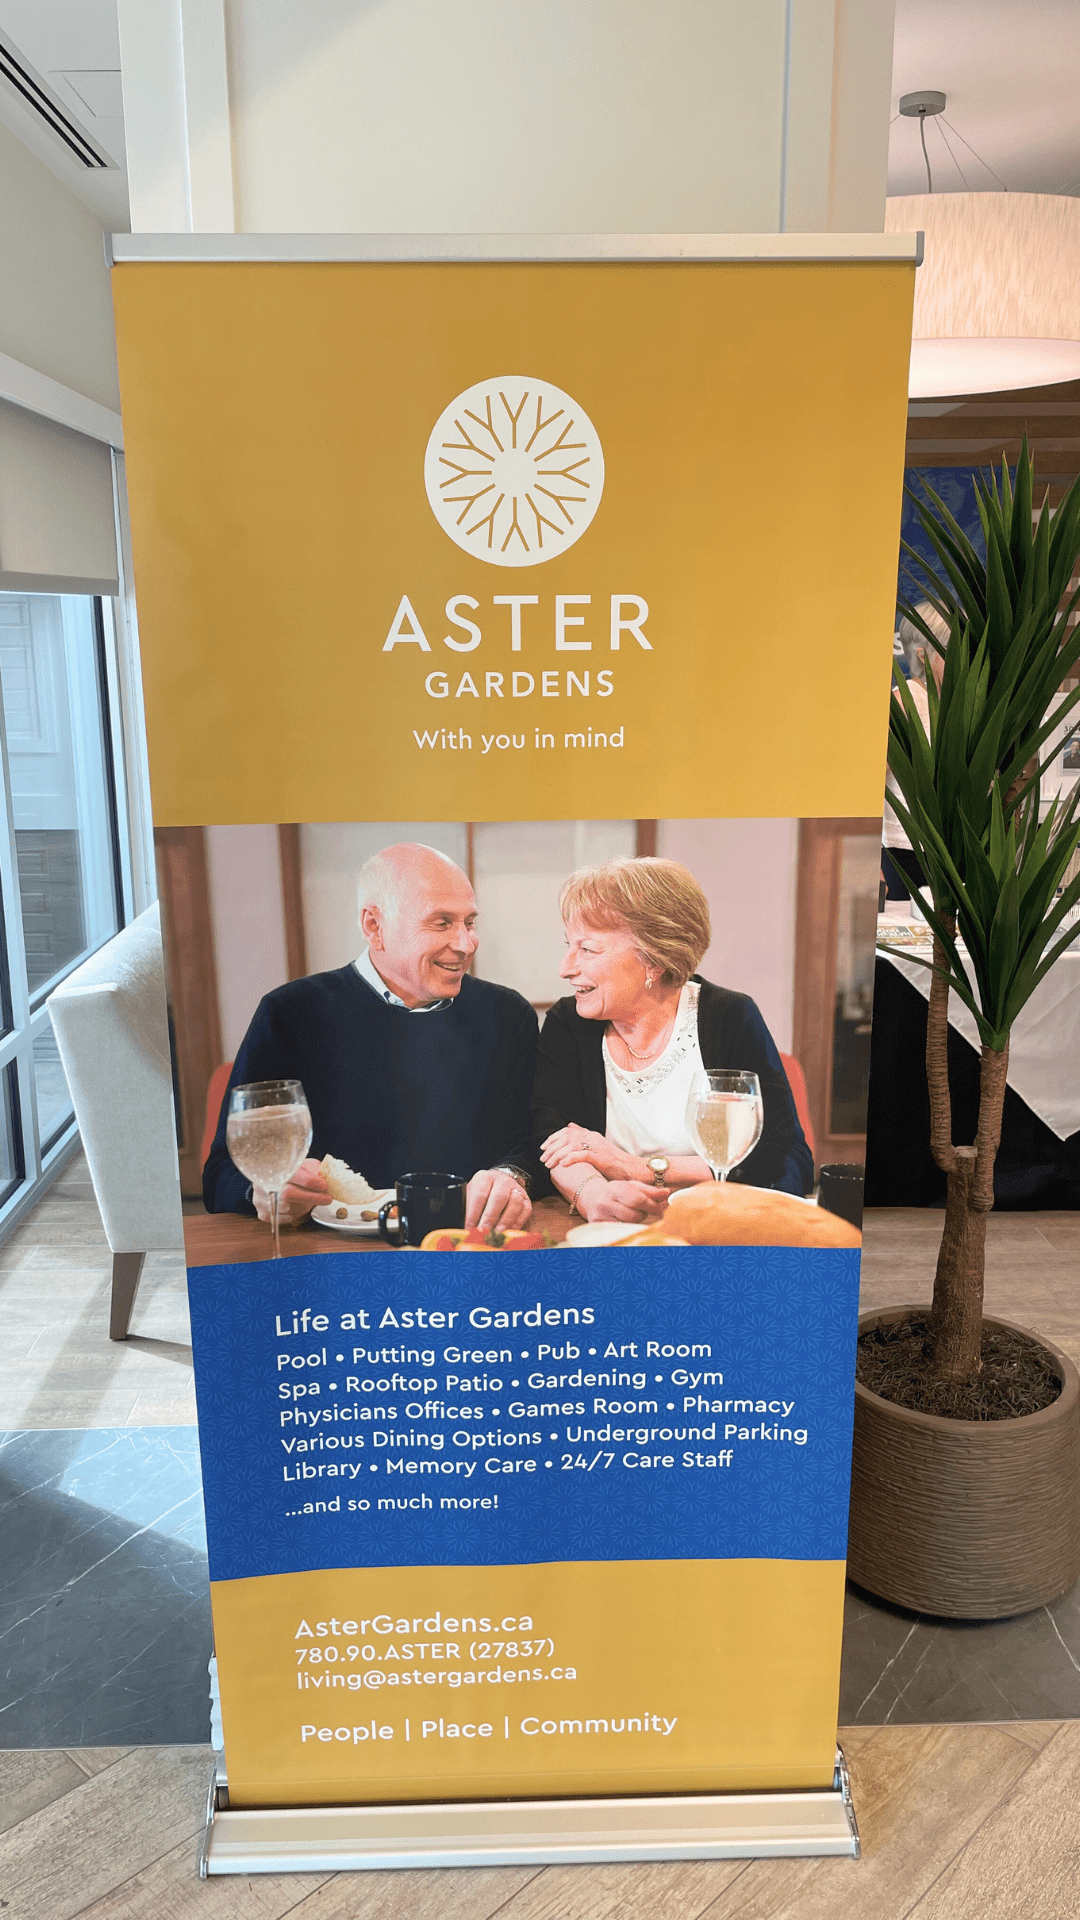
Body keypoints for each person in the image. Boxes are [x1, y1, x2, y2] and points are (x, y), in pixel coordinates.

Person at [203, 843, 536, 1232]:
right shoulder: (290, 1013)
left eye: (470, 922)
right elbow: (221, 1173)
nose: (466, 943)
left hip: (467, 1243)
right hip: (326, 1249)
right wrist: (259, 1192)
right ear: (374, 927)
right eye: (442, 922)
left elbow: (533, 1146)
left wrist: (512, 1176)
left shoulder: (508, 1015)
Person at [534, 856, 812, 1225]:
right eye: (569, 946)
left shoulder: (728, 1016)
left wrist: (639, 1168)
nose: (565, 968)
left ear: (653, 959)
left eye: (587, 949)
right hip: (609, 1230)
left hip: (712, 1227)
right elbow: (554, 1141)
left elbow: (788, 1159)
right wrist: (595, 1195)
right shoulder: (569, 1023)